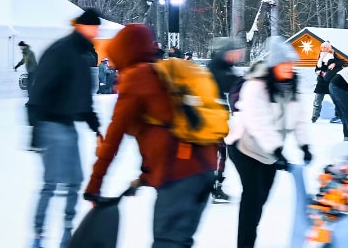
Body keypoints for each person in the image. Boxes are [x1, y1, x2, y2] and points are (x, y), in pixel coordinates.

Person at [86, 23, 218, 248]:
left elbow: (113, 139)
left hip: (180, 176)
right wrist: (147, 175)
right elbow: (164, 130)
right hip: (202, 170)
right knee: (178, 242)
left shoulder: (136, 78)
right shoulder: (160, 74)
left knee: (168, 242)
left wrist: (94, 186)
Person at [25, 9, 102, 246]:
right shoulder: (62, 51)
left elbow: (82, 96)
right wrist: (36, 128)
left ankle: (66, 232)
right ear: (83, 27)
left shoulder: (81, 53)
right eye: (94, 28)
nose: (97, 32)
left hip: (67, 126)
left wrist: (94, 126)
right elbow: (40, 89)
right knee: (52, 182)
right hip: (50, 124)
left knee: (74, 181)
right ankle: (38, 236)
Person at [227, 38, 311, 248]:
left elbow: (299, 118)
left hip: (270, 153)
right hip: (244, 147)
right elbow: (258, 122)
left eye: (291, 65)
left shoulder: (291, 87)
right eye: (284, 65)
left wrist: (304, 145)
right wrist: (277, 149)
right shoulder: (255, 86)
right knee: (253, 197)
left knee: (261, 198)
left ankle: (249, 232)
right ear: (274, 66)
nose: (289, 68)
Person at [207, 36, 246, 204]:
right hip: (211, 119)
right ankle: (213, 187)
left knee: (221, 153)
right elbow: (230, 83)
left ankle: (214, 185)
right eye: (235, 53)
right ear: (226, 53)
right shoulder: (216, 67)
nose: (237, 56)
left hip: (218, 118)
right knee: (218, 153)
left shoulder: (224, 67)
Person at [312, 43, 346, 123]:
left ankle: (338, 116)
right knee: (317, 100)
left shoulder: (332, 55)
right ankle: (315, 116)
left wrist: (334, 64)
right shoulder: (320, 56)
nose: (323, 49)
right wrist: (318, 71)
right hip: (321, 82)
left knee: (336, 100)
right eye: (322, 47)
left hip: (330, 82)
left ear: (328, 48)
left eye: (325, 47)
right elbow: (317, 68)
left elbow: (342, 62)